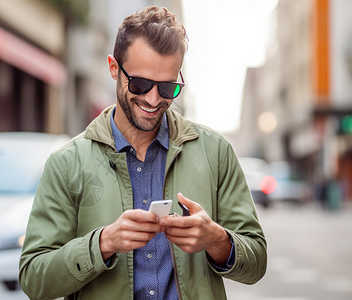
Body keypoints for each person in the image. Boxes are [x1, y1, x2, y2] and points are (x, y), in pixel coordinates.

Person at [19, 6, 266, 300]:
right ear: (114, 68)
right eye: (140, 83)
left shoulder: (216, 152)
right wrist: (102, 243)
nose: (152, 99)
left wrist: (217, 240)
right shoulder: (66, 163)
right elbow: (34, 278)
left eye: (167, 88)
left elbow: (257, 262)